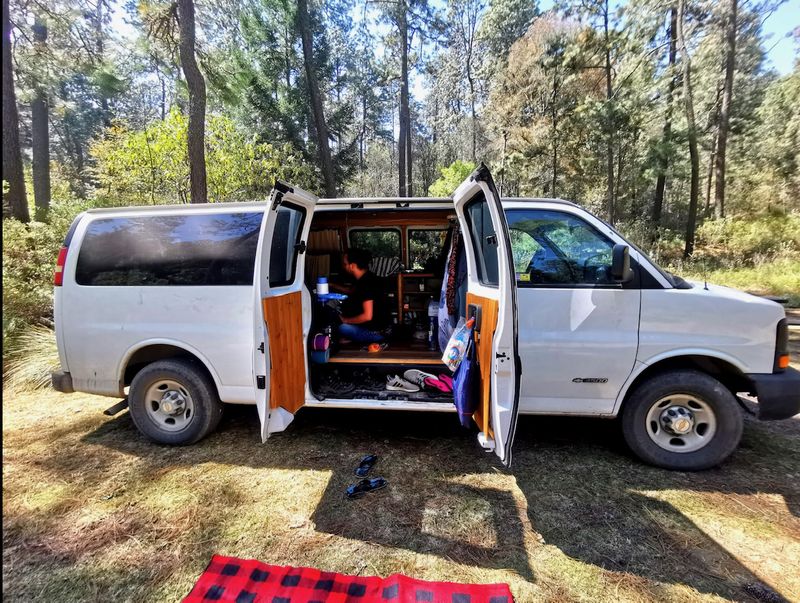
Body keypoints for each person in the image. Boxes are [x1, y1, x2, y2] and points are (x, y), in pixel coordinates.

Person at [330, 248, 390, 344]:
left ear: (352, 266)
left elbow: (367, 316)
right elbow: (350, 290)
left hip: (375, 333)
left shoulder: (366, 284)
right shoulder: (367, 277)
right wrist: (332, 285)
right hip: (378, 329)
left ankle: (352, 338)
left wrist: (346, 320)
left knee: (338, 326)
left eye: (345, 264)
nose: (343, 266)